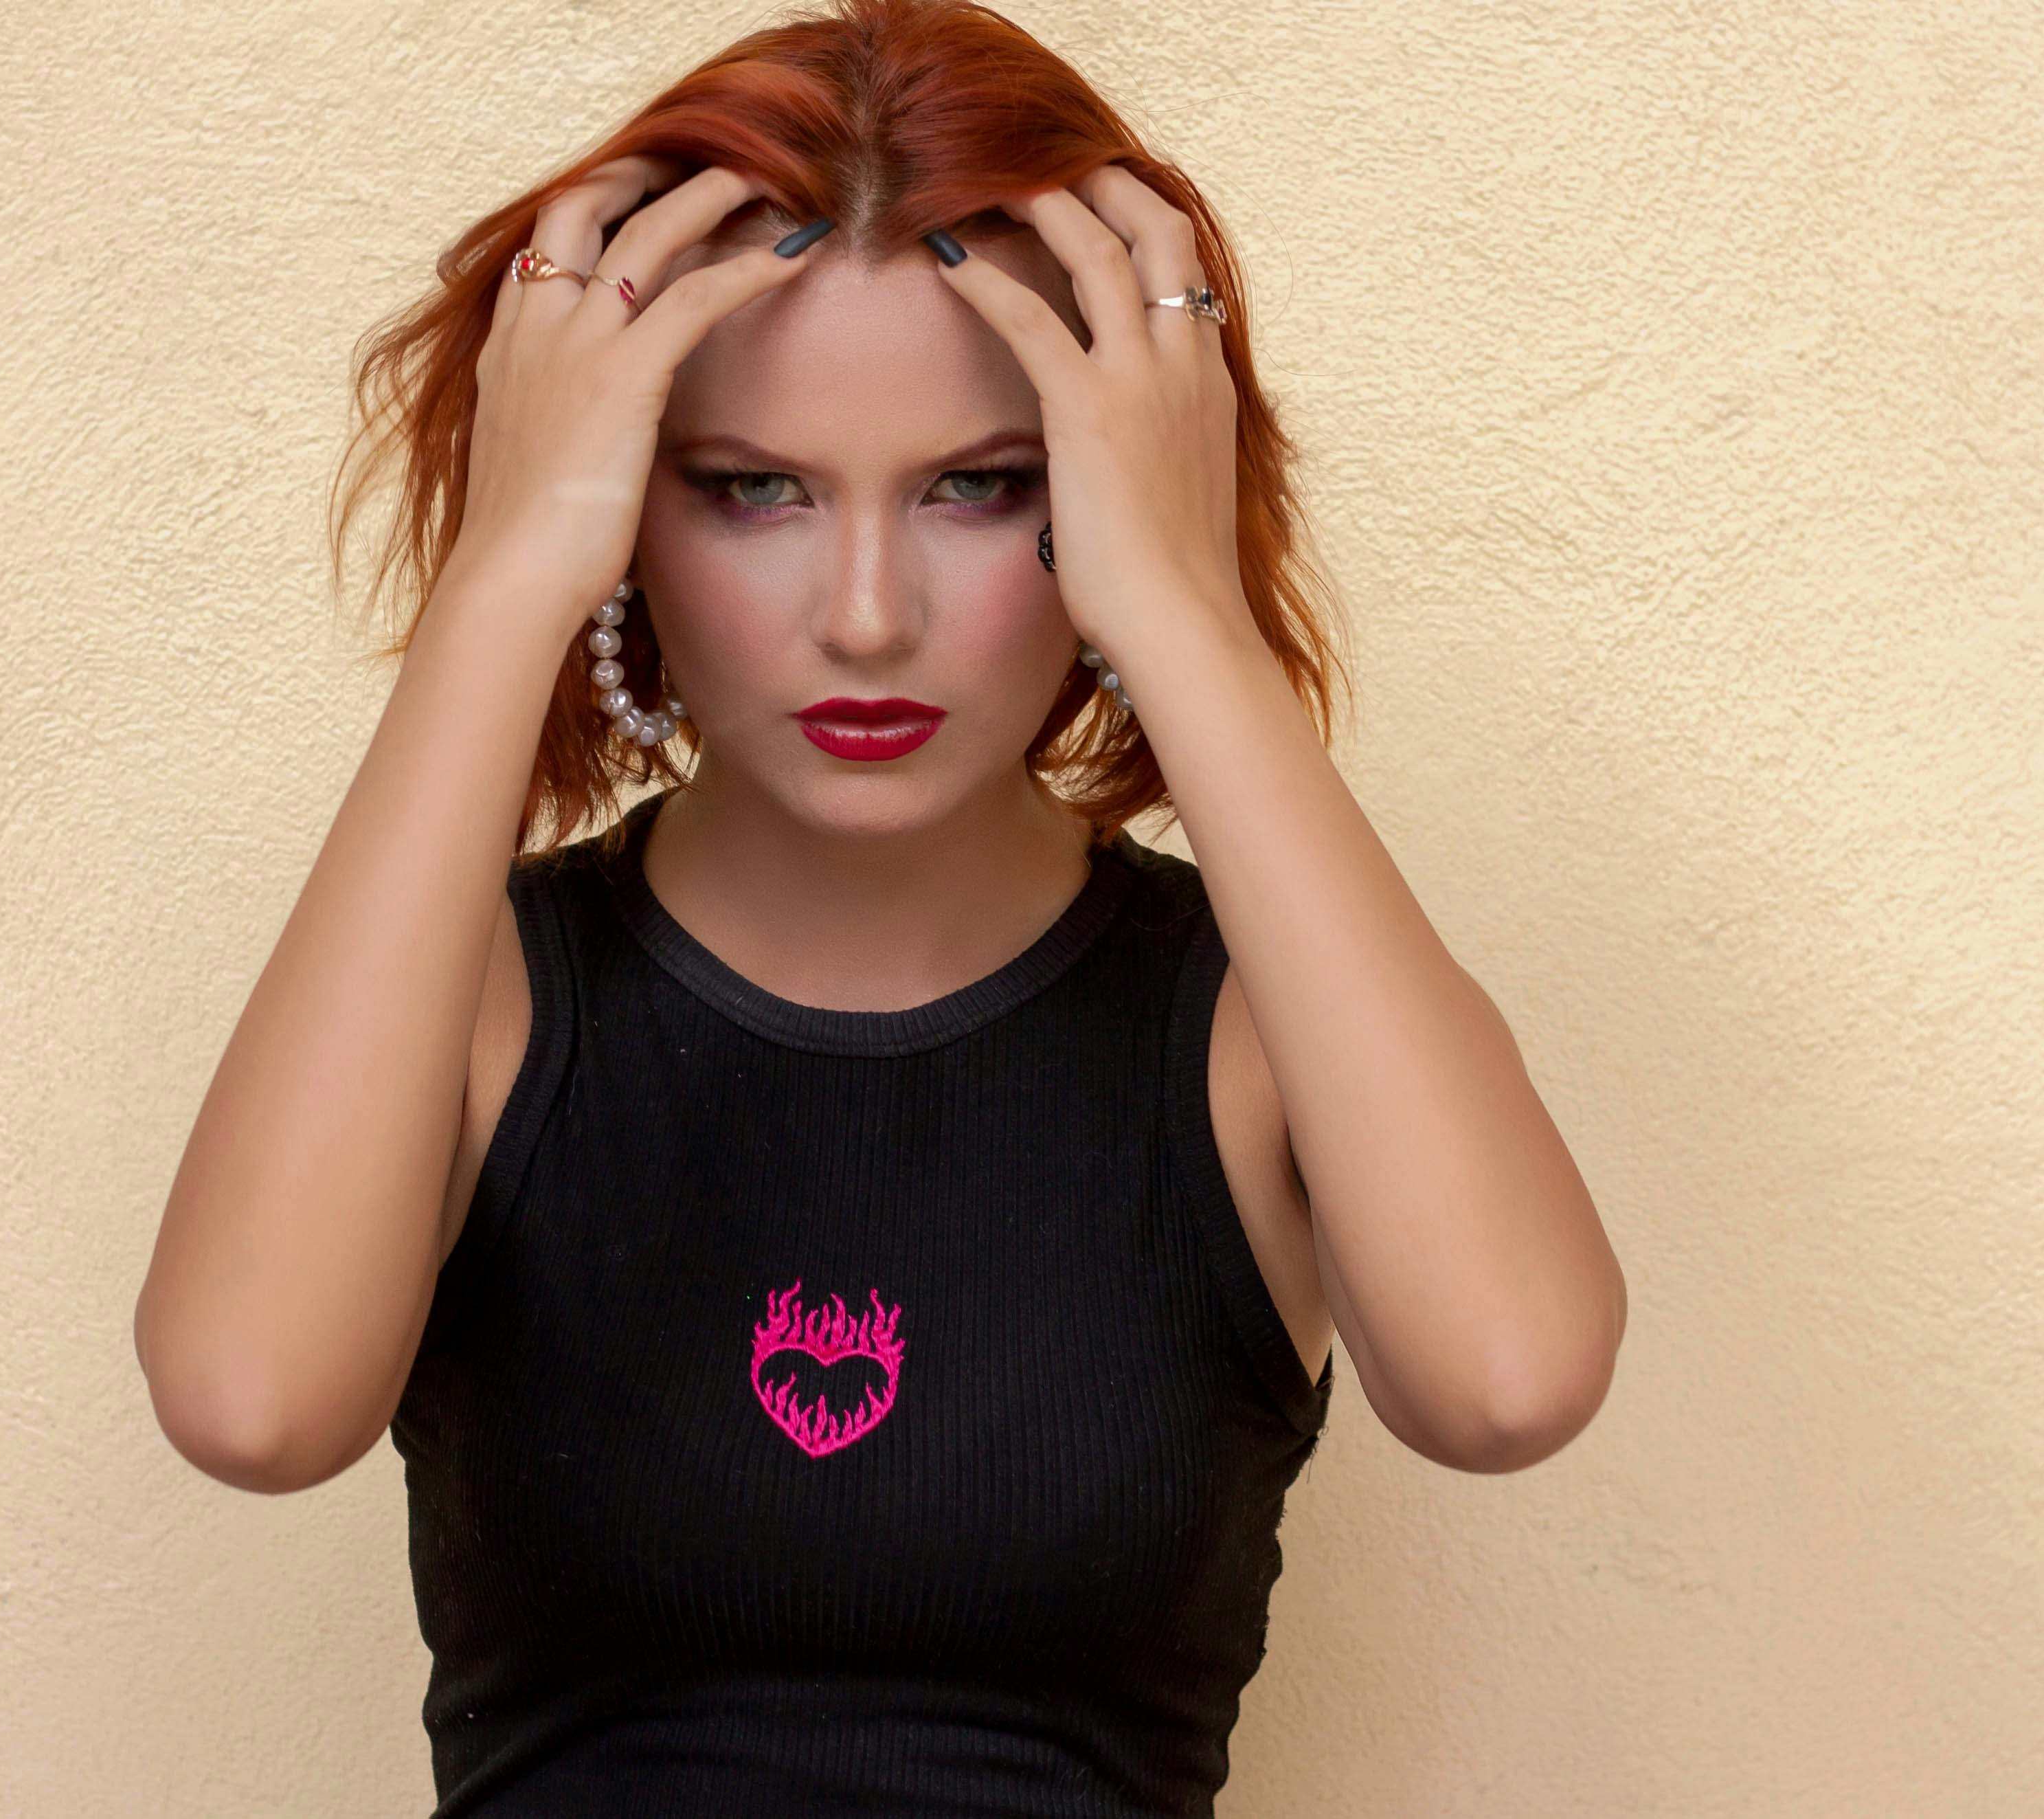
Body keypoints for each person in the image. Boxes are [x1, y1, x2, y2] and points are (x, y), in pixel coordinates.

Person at [133, 2, 1628, 1811]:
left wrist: (1185, 615)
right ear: (622, 510)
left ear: (1106, 493)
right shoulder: (479, 999)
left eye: (981, 489)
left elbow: (1507, 1382)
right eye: (749, 488)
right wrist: (503, 575)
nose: (862, 614)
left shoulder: (1250, 1023)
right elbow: (249, 1402)